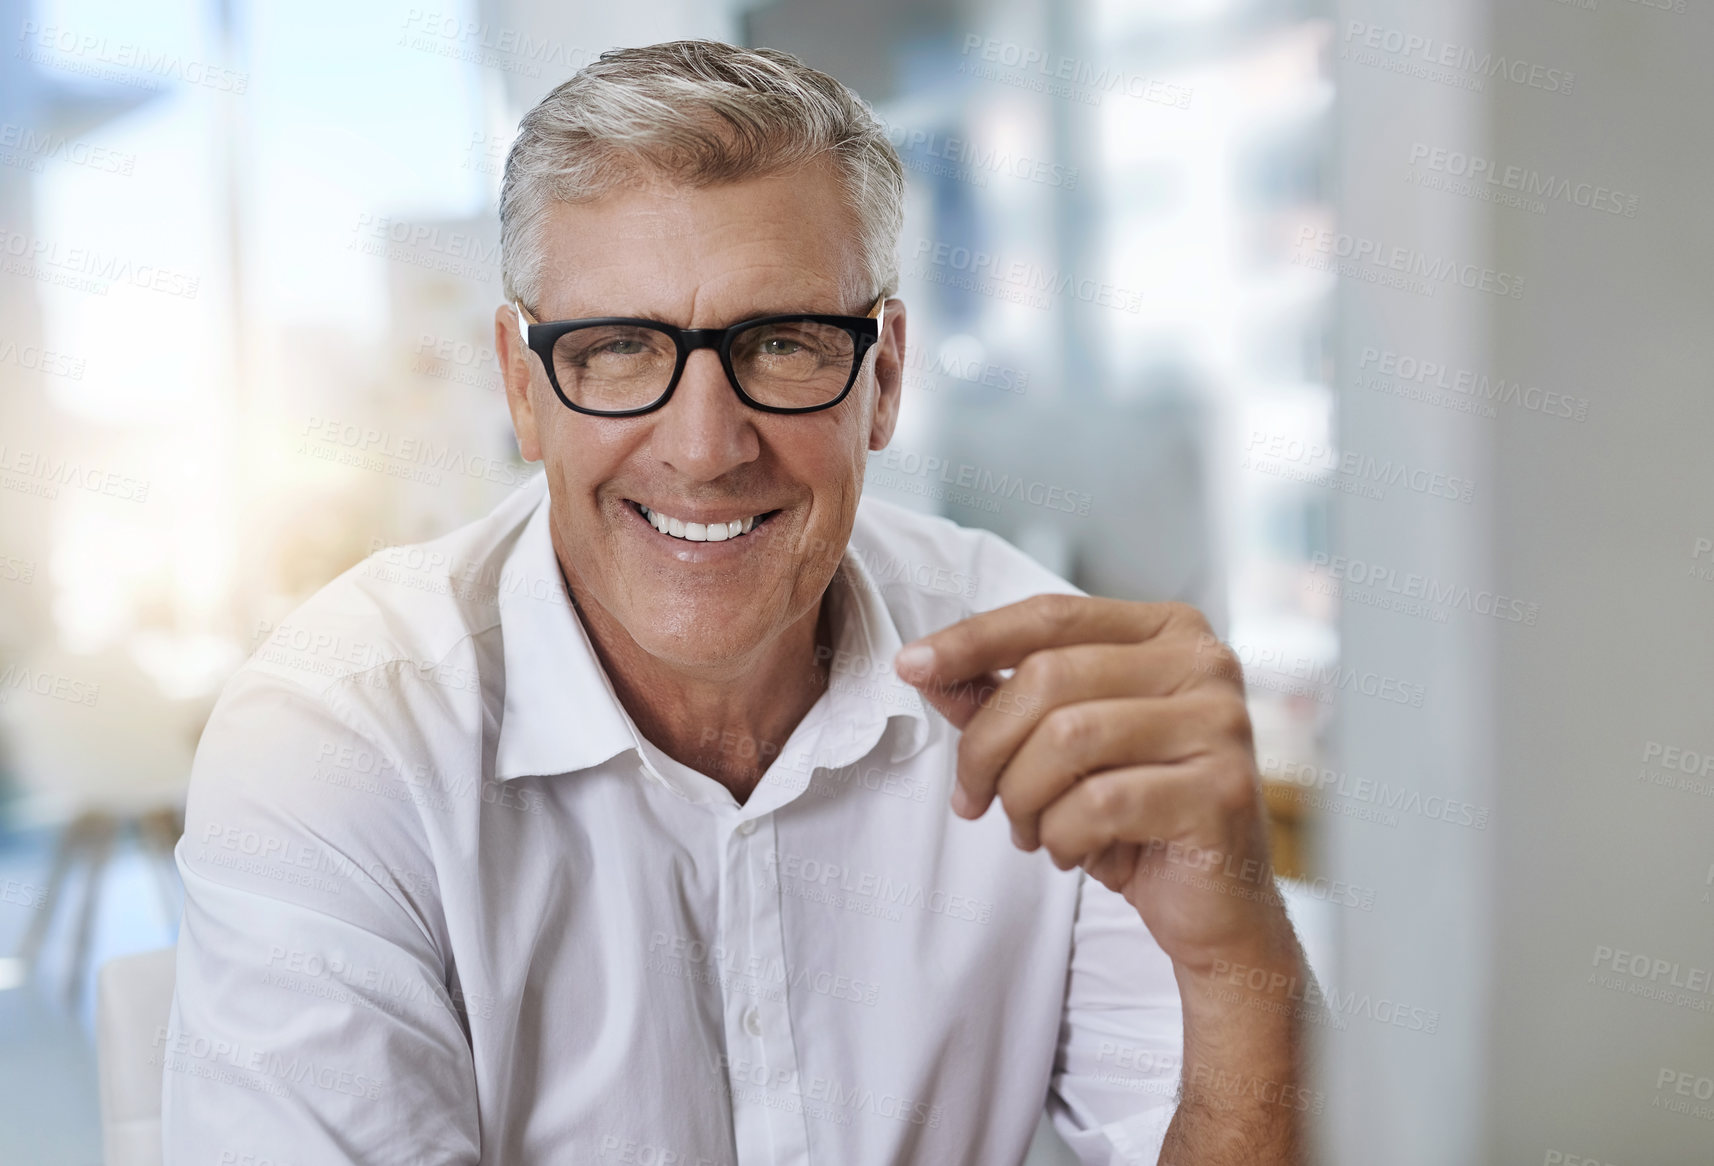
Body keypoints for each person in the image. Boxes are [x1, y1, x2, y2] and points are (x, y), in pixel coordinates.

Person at [164, 39, 1309, 1165]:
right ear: (523, 388)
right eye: (617, 349)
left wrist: (1235, 968)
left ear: (885, 378)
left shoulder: (1040, 692)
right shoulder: (342, 734)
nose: (706, 448)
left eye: (783, 344)